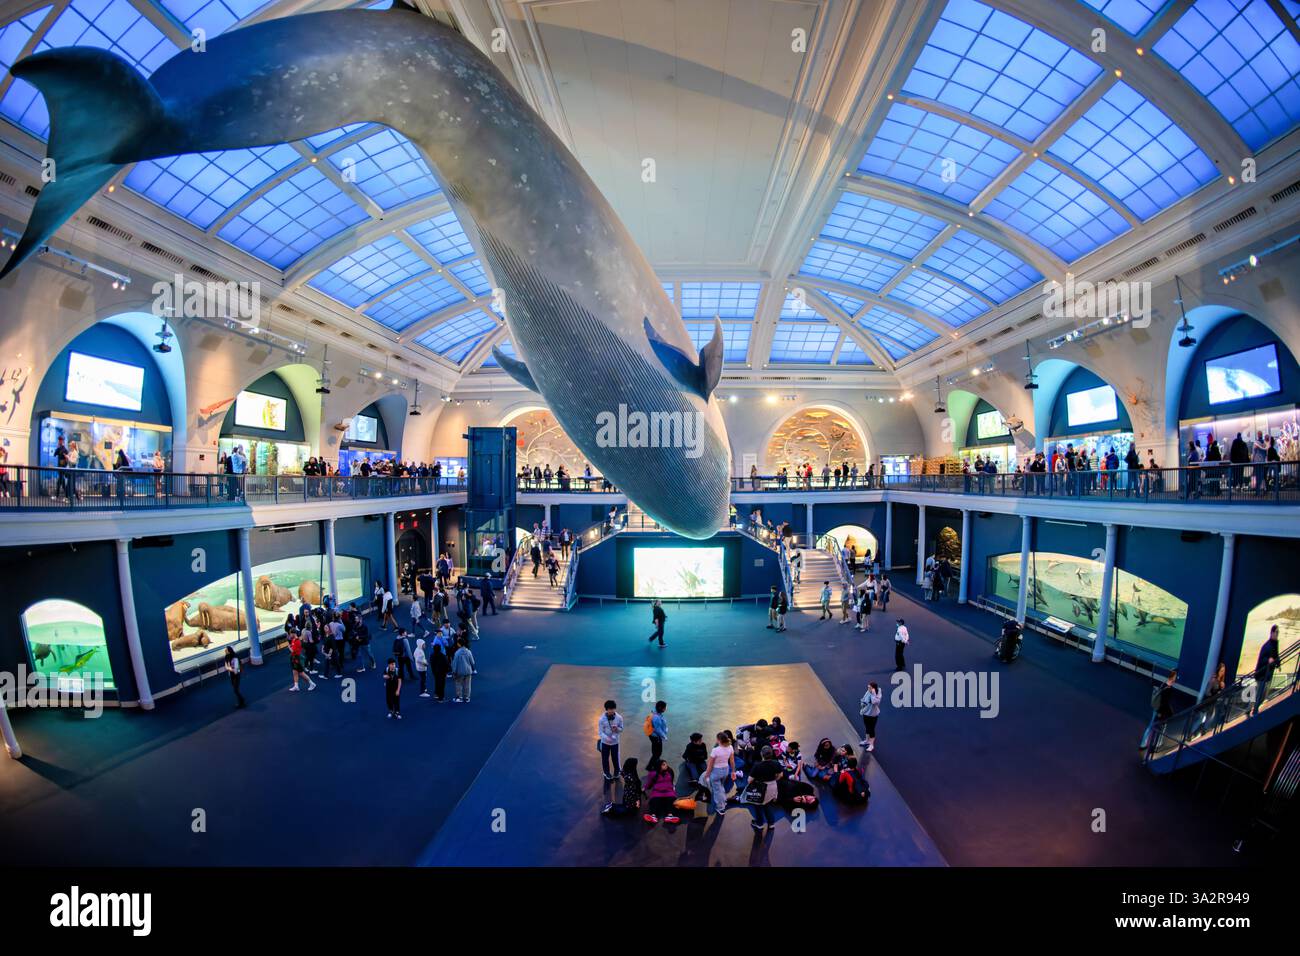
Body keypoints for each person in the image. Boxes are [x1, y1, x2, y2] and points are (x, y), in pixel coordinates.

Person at [743, 745, 784, 831]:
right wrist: (774, 780)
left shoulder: (757, 765)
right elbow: (781, 775)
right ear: (772, 754)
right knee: (768, 804)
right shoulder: (776, 763)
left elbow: (749, 780)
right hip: (772, 787)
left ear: (761, 754)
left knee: (758, 806)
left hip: (761, 789)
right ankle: (771, 823)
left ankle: (759, 824)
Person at [702, 731, 736, 816]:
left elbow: (710, 765)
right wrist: (733, 771)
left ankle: (721, 808)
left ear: (719, 740)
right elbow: (732, 761)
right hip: (725, 770)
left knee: (717, 791)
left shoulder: (715, 750)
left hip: (716, 772)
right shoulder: (730, 747)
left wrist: (707, 775)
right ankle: (723, 800)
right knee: (720, 786)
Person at [641, 759, 681, 825]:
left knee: (671, 800)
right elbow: (649, 782)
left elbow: (671, 780)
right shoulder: (653, 774)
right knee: (654, 801)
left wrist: (673, 786)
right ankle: (653, 816)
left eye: (666, 764)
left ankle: (670, 816)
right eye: (664, 764)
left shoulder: (670, 771)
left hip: (668, 791)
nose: (666, 765)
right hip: (657, 792)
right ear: (659, 766)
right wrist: (645, 788)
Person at [1253, 625, 1281, 714]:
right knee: (1260, 695)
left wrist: (1278, 664)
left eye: (1278, 632)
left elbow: (1276, 655)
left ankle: (1255, 709)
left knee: (1264, 696)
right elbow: (1261, 659)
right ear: (1272, 633)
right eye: (1276, 632)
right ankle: (1254, 712)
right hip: (1261, 675)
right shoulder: (1266, 646)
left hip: (1268, 674)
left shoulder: (1275, 643)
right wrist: (1268, 660)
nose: (1277, 634)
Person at [598, 700, 625, 781]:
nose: (612, 712)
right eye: (610, 710)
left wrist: (617, 729)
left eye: (613, 709)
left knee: (615, 758)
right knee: (605, 758)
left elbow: (621, 729)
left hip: (615, 742)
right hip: (605, 742)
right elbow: (600, 732)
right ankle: (606, 772)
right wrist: (607, 738)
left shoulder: (619, 718)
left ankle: (617, 772)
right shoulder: (601, 719)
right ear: (606, 709)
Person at [859, 681, 882, 751]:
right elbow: (864, 699)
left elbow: (874, 702)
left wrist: (873, 693)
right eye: (868, 687)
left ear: (874, 689)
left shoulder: (878, 694)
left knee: (871, 729)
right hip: (866, 713)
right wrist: (862, 703)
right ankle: (866, 740)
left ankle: (871, 745)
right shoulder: (868, 692)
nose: (868, 688)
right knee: (867, 727)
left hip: (873, 715)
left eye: (870, 688)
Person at [451, 638, 475, 702]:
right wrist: (473, 668)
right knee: (468, 685)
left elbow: (455, 664)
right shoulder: (468, 651)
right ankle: (467, 697)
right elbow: (472, 662)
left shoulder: (457, 653)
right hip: (468, 671)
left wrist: (454, 672)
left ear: (459, 644)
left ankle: (459, 697)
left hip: (460, 671)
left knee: (458, 684)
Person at [647, 699, 667, 768]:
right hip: (656, 737)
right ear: (662, 708)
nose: (666, 708)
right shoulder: (657, 718)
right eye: (665, 707)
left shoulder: (654, 713)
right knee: (658, 752)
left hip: (652, 735)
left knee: (655, 750)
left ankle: (654, 762)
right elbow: (658, 729)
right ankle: (651, 766)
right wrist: (664, 736)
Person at [429, 635, 450, 701]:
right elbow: (447, 664)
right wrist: (447, 671)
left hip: (435, 672)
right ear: (440, 649)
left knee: (437, 682)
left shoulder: (432, 656)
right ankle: (441, 697)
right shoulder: (443, 656)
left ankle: (436, 694)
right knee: (442, 684)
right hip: (442, 673)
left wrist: (433, 671)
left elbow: (431, 664)